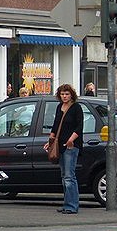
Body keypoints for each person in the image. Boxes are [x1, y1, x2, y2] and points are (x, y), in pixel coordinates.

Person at [46, 83, 84, 214]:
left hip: (71, 146)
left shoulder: (76, 108)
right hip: (59, 145)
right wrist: (50, 140)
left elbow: (79, 126)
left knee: (69, 176)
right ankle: (67, 203)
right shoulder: (59, 107)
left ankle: (72, 206)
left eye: (67, 94)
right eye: (62, 94)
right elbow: (56, 125)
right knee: (64, 176)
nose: (64, 96)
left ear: (71, 95)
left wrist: (70, 140)